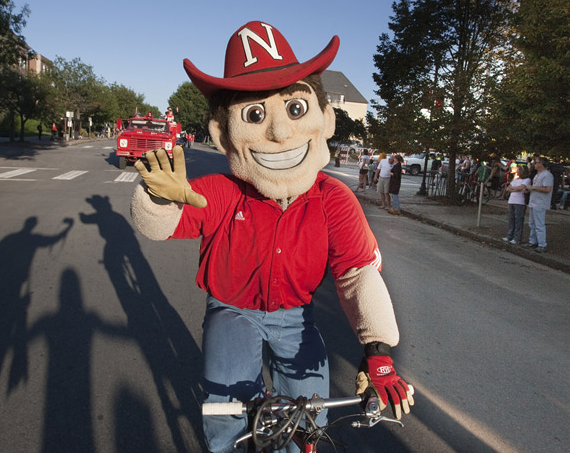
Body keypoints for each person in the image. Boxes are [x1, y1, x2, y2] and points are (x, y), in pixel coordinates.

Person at [130, 21, 413, 453]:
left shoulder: (332, 199)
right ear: (225, 133)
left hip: (295, 315)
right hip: (232, 309)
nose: (280, 134)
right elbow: (162, 225)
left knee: (310, 413)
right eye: (255, 114)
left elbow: (357, 273)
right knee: (225, 402)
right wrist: (157, 197)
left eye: (295, 109)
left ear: (325, 118)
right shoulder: (224, 192)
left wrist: (377, 350)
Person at [524, 156, 554, 253]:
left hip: (540, 203)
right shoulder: (537, 175)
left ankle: (542, 244)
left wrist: (533, 188)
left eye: (536, 163)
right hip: (534, 202)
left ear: (541, 164)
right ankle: (533, 241)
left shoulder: (547, 175)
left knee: (539, 224)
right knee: (532, 223)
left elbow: (547, 189)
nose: (535, 164)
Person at [502, 165, 531, 245]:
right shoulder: (515, 180)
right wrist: (515, 189)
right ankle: (509, 235)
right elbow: (508, 188)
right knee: (511, 219)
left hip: (520, 202)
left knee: (518, 220)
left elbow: (521, 188)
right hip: (512, 200)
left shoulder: (527, 180)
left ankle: (517, 238)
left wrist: (514, 189)